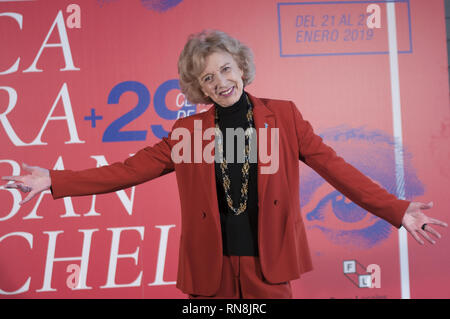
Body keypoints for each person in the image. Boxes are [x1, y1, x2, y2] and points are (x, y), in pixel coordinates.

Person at [2, 30, 447, 299]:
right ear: (199, 88)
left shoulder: (285, 116)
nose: (221, 82)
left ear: (242, 68)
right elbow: (126, 169)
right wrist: (53, 180)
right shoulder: (186, 133)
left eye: (226, 69)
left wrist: (396, 208)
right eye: (207, 78)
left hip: (267, 269)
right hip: (209, 272)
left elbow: (335, 168)